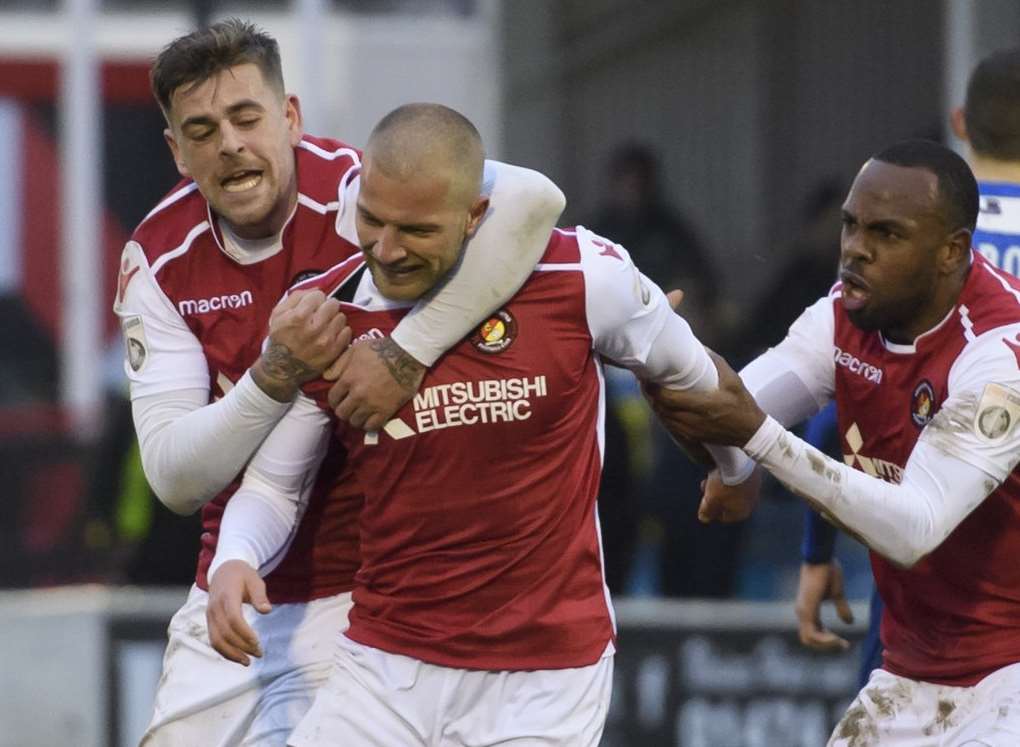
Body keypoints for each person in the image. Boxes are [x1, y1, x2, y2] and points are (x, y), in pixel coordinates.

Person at [205, 102, 757, 746]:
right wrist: (234, 557)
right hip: (385, 666)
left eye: (414, 230)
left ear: (474, 216)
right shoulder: (328, 315)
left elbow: (695, 374)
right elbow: (275, 486)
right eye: (372, 220)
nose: (385, 248)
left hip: (546, 676)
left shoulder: (584, 278)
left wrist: (736, 468)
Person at [114, 19, 567, 747]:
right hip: (234, 581)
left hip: (374, 593)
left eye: (246, 117)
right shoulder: (160, 258)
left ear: (290, 117)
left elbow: (533, 200)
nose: (228, 143)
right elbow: (172, 476)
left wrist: (405, 352)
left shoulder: (372, 194)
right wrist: (274, 372)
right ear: (177, 152)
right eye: (201, 130)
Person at [649, 139, 1020, 745]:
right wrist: (657, 357)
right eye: (851, 225)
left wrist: (754, 446)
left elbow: (915, 527)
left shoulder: (1000, 353)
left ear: (952, 251)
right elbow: (727, 412)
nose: (855, 250)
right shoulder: (840, 319)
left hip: (1008, 677)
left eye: (887, 234)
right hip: (910, 671)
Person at [796, 46, 1020, 690]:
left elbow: (842, 412)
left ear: (959, 122)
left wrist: (817, 550)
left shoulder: (915, 238)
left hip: (918, 586)